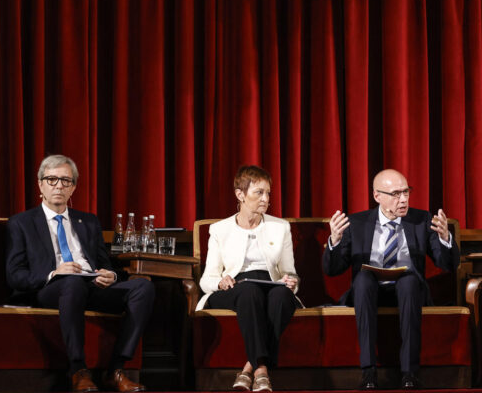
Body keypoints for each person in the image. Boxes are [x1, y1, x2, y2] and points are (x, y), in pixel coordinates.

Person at [5, 154, 154, 393]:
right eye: (51, 179)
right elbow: (15, 276)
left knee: (143, 287)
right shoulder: (21, 223)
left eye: (65, 180)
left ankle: (115, 369)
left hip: (90, 286)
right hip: (50, 288)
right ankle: (78, 370)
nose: (58, 186)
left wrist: (110, 276)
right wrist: (54, 273)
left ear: (73, 187)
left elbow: (105, 264)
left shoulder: (88, 221)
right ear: (40, 185)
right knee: (71, 283)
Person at [323, 168, 459, 390]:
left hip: (409, 292)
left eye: (406, 192)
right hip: (369, 292)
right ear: (377, 196)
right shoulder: (356, 223)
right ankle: (368, 372)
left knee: (408, 280)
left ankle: (409, 373)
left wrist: (445, 238)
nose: (403, 199)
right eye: (396, 194)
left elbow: (448, 264)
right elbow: (333, 269)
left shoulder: (421, 220)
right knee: (364, 279)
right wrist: (335, 241)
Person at [196, 165, 301, 392]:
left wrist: (291, 281)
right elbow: (207, 279)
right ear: (240, 194)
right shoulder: (219, 229)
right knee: (249, 291)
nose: (266, 199)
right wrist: (220, 282)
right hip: (235, 288)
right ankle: (262, 369)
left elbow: (289, 271)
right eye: (259, 193)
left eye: (268, 193)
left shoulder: (280, 227)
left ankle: (248, 368)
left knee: (282, 295)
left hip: (271, 285)